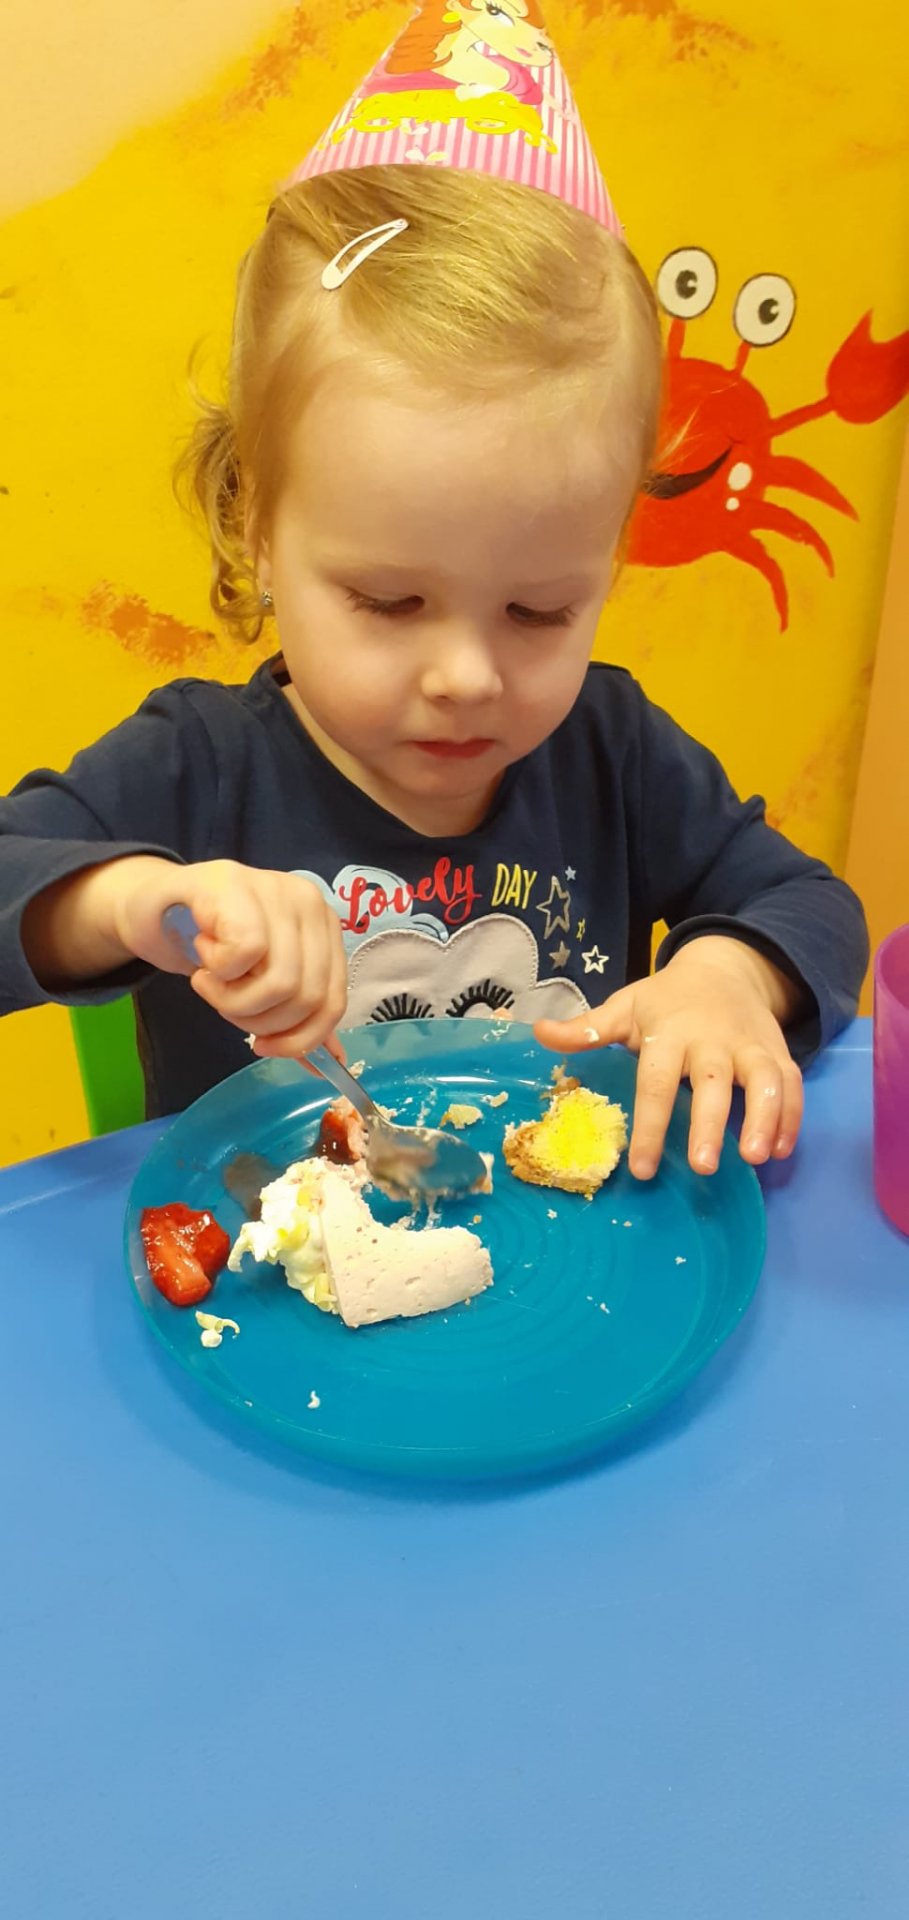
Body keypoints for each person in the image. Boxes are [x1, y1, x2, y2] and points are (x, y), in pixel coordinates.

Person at [0, 18, 867, 1186]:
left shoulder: (611, 754)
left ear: (611, 558)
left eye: (538, 612)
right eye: (389, 600)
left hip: (559, 1264)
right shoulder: (199, 768)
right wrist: (136, 902)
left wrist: (728, 974)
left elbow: (809, 900)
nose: (467, 675)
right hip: (258, 1270)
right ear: (256, 526)